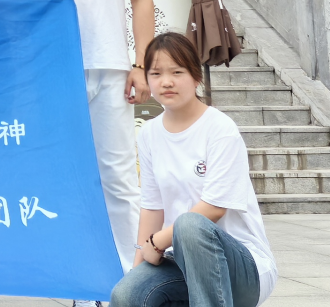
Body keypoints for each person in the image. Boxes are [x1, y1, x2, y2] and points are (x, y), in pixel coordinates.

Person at [0, 0, 152, 277]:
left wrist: (141, 64)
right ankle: (72, 271)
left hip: (110, 65)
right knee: (56, 169)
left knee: (117, 175)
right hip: (50, 68)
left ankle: (130, 275)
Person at [112, 32, 276, 307]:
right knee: (127, 295)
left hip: (244, 269)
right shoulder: (150, 133)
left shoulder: (220, 129)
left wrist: (157, 242)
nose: (166, 82)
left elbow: (214, 209)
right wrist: (138, 268)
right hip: (182, 263)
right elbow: (152, 208)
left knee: (189, 225)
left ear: (196, 77)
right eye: (156, 74)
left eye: (177, 72)